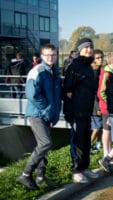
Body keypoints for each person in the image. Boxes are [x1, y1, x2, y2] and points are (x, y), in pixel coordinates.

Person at [16, 44, 61, 190]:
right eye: (47, 55)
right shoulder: (38, 71)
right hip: (37, 114)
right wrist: (47, 109)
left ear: (56, 56)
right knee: (45, 143)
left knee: (43, 145)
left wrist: (52, 113)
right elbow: (32, 94)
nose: (50, 57)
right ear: (42, 56)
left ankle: (41, 176)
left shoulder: (54, 72)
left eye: (53, 55)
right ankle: (25, 174)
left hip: (46, 114)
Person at [63, 38, 99, 183]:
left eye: (90, 48)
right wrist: (70, 112)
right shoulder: (74, 66)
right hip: (76, 111)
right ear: (80, 50)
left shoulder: (89, 67)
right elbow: (68, 91)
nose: (88, 50)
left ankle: (85, 167)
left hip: (87, 111)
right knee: (77, 141)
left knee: (86, 141)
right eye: (85, 48)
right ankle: (76, 170)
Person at [98, 53, 113, 159]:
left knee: (109, 129)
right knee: (106, 130)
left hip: (109, 106)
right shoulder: (106, 73)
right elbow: (101, 92)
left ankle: (110, 151)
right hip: (106, 107)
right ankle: (105, 153)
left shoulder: (111, 73)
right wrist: (108, 103)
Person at [90, 49, 104, 153]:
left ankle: (98, 145)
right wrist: (98, 107)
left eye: (101, 57)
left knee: (101, 126)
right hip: (95, 103)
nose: (100, 60)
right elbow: (94, 91)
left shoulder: (100, 70)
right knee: (97, 127)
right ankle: (88, 146)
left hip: (100, 101)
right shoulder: (94, 72)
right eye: (98, 58)